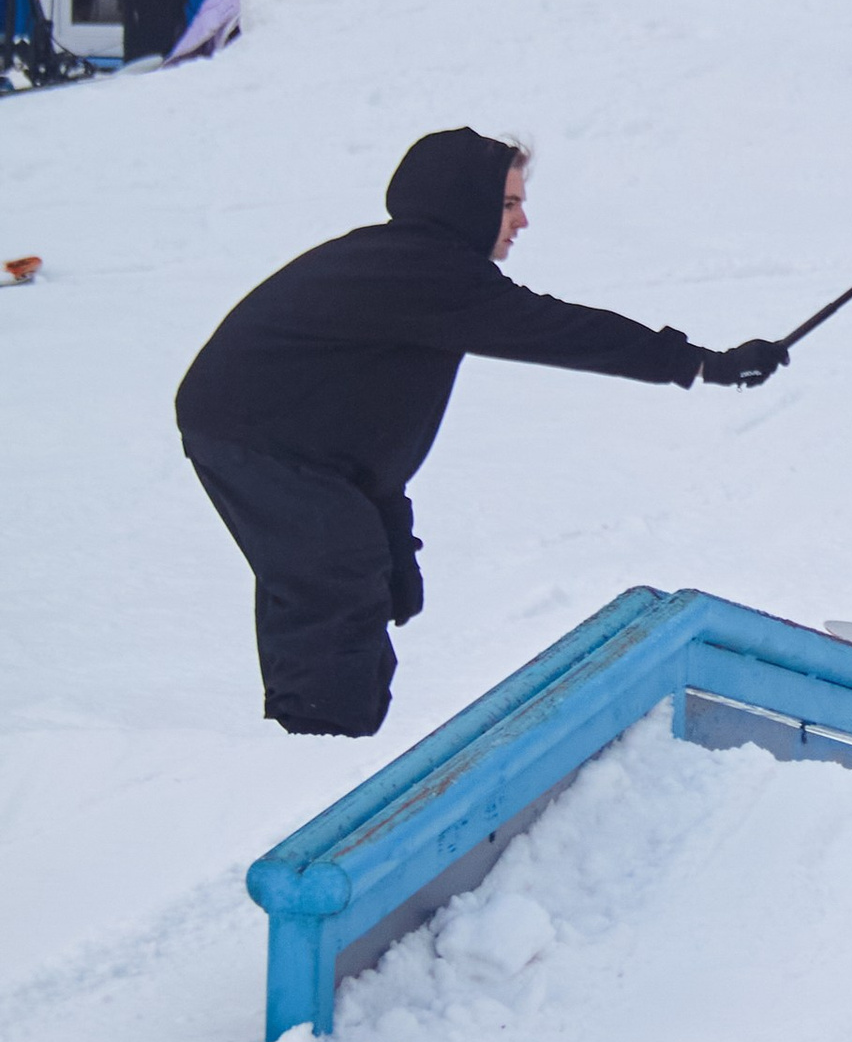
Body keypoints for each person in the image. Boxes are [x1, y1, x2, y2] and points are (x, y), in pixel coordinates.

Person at [177, 128, 787, 739]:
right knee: (336, 569)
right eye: (508, 204)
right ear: (461, 203)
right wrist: (704, 363)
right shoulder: (420, 270)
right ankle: (316, 738)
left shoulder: (414, 263)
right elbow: (555, 329)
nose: (522, 221)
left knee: (355, 571)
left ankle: (327, 726)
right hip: (253, 434)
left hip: (306, 442)